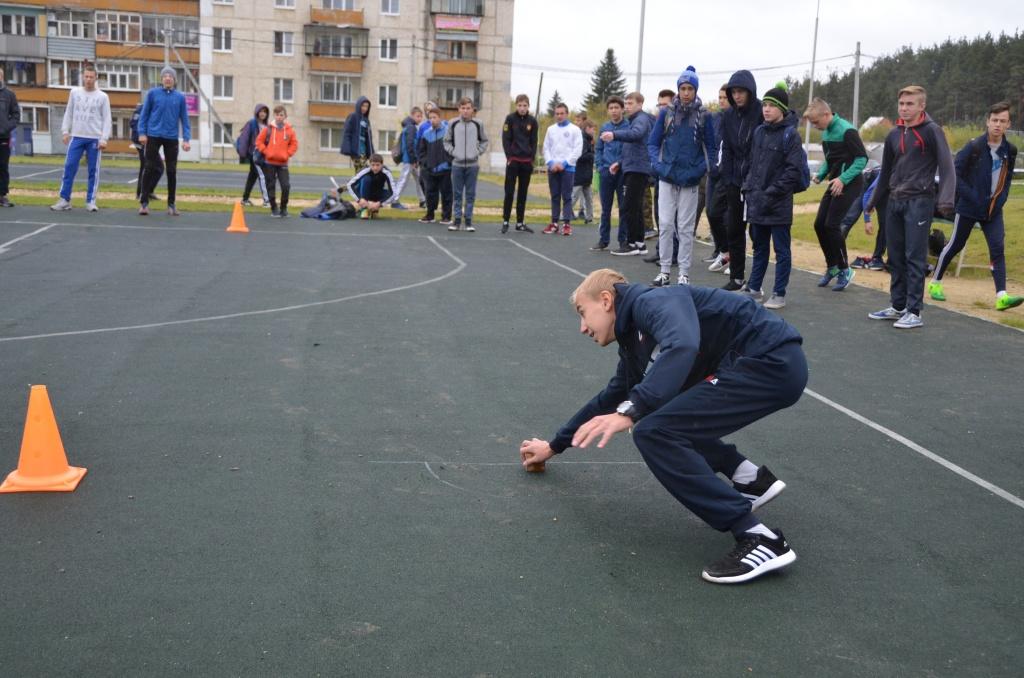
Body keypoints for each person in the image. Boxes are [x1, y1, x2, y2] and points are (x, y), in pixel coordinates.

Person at [519, 268, 806, 584]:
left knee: (652, 430)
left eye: (582, 313)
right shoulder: (632, 340)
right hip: (762, 364)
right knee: (662, 415)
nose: (582, 327)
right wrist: (553, 446)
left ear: (605, 300)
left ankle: (759, 538)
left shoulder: (650, 301)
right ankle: (750, 479)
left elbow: (682, 344)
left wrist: (632, 410)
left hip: (768, 362)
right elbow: (611, 397)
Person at [866, 85, 955, 329]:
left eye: (910, 104)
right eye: (902, 104)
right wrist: (872, 201)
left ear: (922, 106)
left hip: (919, 201)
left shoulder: (932, 131)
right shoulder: (894, 134)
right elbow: (884, 172)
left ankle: (914, 311)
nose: (905, 109)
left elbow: (947, 166)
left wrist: (946, 199)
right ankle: (897, 306)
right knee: (894, 257)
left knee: (914, 257)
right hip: (894, 201)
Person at [929, 102, 1021, 311]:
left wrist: (1002, 198)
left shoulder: (1011, 150)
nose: (998, 124)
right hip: (969, 207)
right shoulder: (974, 147)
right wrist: (973, 197)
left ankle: (1001, 295)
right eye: (994, 120)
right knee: (955, 245)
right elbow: (955, 175)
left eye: (1003, 121)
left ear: (1008, 124)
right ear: (988, 122)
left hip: (994, 210)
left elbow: (1006, 179)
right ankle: (935, 282)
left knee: (997, 248)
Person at [647, 66, 716, 287]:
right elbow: (653, 142)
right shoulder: (666, 113)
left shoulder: (704, 116)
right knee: (666, 224)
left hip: (690, 180)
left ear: (695, 90)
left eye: (690, 88)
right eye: (683, 88)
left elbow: (712, 148)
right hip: (667, 177)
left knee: (686, 228)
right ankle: (665, 270)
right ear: (678, 90)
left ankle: (683, 272)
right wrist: (658, 166)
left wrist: (702, 169)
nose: (686, 92)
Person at [742, 83, 809, 309]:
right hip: (757, 202)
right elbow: (752, 165)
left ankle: (779, 293)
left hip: (778, 204)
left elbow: (793, 171)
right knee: (759, 248)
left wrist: (771, 193)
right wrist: (748, 188)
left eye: (771, 106)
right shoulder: (759, 131)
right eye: (765, 105)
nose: (766, 109)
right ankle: (754, 289)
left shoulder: (791, 135)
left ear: (782, 109)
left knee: (782, 251)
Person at [806, 98, 868, 292]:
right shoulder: (826, 134)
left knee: (832, 225)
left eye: (816, 122)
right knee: (819, 224)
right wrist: (821, 174)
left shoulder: (847, 130)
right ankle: (832, 266)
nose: (815, 126)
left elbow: (862, 159)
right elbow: (830, 159)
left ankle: (845, 269)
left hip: (850, 183)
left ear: (826, 114)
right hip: (835, 182)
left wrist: (843, 179)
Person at [719, 70, 764, 290]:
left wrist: (757, 177)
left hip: (757, 181)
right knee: (734, 228)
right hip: (734, 181)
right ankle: (737, 277)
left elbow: (785, 120)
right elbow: (726, 148)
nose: (737, 96)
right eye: (733, 92)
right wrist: (727, 177)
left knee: (757, 232)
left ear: (750, 91)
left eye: (741, 92)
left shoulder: (761, 111)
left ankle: (757, 281)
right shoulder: (728, 116)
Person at [51, 64, 111, 212]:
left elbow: (107, 119)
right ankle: (65, 199)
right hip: (77, 136)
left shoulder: (103, 97)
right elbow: (69, 112)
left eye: (91, 77)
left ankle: (90, 201)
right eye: (86, 76)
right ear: (83, 77)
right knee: (69, 166)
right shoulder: (74, 93)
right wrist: (65, 131)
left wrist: (104, 139)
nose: (89, 79)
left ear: (96, 78)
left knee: (93, 170)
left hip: (94, 139)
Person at [601, 92, 653, 256]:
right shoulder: (634, 120)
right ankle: (639, 243)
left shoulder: (641, 120)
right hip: (631, 167)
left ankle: (630, 244)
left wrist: (614, 135)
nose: (627, 106)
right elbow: (632, 146)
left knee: (629, 206)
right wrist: (620, 163)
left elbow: (636, 135)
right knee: (635, 206)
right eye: (627, 103)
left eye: (630, 103)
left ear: (640, 104)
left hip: (638, 169)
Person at [137, 66, 191, 216]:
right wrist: (142, 133)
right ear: (161, 79)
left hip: (171, 138)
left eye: (171, 76)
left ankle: (171, 204)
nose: (168, 78)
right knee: (148, 168)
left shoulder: (180, 97)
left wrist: (186, 139)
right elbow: (144, 114)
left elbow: (185, 120)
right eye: (165, 76)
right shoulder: (153, 94)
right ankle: (144, 203)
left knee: (172, 171)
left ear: (174, 80)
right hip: (153, 135)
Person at [444, 96, 488, 232]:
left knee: (470, 194)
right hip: (456, 165)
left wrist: (477, 152)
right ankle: (456, 221)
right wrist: (454, 152)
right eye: (463, 108)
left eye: (468, 108)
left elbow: (484, 141)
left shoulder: (478, 124)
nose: (465, 111)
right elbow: (446, 141)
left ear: (472, 109)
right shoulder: (453, 123)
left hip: (472, 165)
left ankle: (468, 221)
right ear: (459, 109)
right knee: (457, 194)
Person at [591, 96, 629, 251]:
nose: (614, 111)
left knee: (623, 207)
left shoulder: (628, 126)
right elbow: (599, 148)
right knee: (605, 208)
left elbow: (629, 149)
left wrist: (619, 163)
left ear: (622, 109)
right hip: (606, 173)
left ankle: (623, 241)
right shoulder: (605, 127)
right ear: (608, 110)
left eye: (616, 107)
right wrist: (600, 166)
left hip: (622, 173)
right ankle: (603, 240)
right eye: (611, 108)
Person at [542, 103, 583, 236]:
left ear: (567, 114)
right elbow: (546, 148)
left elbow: (577, 150)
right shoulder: (550, 129)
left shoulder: (575, 130)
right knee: (554, 196)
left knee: (566, 196)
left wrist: (564, 164)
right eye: (557, 113)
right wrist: (550, 163)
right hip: (553, 168)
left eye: (562, 113)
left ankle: (566, 224)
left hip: (568, 169)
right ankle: (554, 223)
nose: (559, 116)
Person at [501, 94, 538, 234]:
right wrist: (509, 157)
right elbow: (506, 139)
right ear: (516, 106)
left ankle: (520, 222)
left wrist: (532, 158)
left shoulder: (533, 121)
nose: (522, 108)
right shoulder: (510, 119)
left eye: (525, 105)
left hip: (526, 162)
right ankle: (505, 221)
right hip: (513, 161)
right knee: (509, 192)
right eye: (520, 105)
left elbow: (534, 141)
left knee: (523, 193)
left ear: (528, 106)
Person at [254, 105, 298, 218]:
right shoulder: (267, 129)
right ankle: (274, 208)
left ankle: (283, 208)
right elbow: (259, 142)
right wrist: (266, 151)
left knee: (286, 186)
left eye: (281, 115)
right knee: (271, 186)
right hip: (269, 163)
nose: (279, 117)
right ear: (274, 116)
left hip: (283, 163)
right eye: (277, 115)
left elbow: (294, 144)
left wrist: (287, 154)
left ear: (285, 116)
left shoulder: (290, 131)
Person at [706, 85, 732, 271]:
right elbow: (710, 144)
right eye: (719, 96)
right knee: (712, 212)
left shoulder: (737, 118)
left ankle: (734, 256)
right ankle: (724, 252)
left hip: (730, 176)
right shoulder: (714, 119)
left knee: (730, 218)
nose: (721, 100)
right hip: (713, 174)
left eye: (724, 97)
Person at [416, 108, 453, 225]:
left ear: (439, 118)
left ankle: (446, 216)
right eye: (430, 118)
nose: (432, 120)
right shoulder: (426, 134)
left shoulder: (448, 132)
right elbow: (422, 152)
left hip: (445, 169)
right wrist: (426, 164)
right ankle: (430, 215)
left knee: (446, 193)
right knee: (430, 192)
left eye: (434, 117)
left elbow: (453, 149)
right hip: (430, 170)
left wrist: (448, 162)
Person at [392, 106, 424, 210]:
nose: (420, 119)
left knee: (420, 179)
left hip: (411, 159)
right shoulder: (411, 127)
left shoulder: (409, 126)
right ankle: (395, 201)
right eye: (418, 116)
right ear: (412, 116)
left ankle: (423, 200)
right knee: (403, 179)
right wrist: (413, 160)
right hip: (409, 159)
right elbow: (410, 145)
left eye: (421, 117)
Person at [238, 103, 270, 207]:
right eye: (261, 111)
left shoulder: (267, 126)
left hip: (263, 155)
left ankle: (245, 199)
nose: (263, 113)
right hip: (254, 154)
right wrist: (242, 153)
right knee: (262, 176)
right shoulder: (252, 123)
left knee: (252, 176)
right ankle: (267, 201)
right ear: (257, 112)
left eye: (265, 112)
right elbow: (244, 138)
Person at [346, 153, 396, 219]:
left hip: (377, 193)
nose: (375, 168)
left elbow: (393, 192)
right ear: (370, 165)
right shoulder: (365, 170)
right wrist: (359, 200)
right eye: (373, 165)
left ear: (382, 165)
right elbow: (350, 184)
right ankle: (364, 209)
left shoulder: (387, 172)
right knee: (366, 179)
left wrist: (380, 203)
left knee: (391, 195)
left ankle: (374, 209)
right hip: (364, 193)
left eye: (378, 165)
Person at [129, 102, 161, 203]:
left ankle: (146, 192)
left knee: (153, 167)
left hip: (143, 141)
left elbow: (131, 123)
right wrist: (142, 137)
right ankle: (143, 193)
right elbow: (134, 124)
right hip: (143, 141)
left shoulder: (141, 108)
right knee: (151, 167)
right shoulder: (145, 108)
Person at [572, 120, 596, 225]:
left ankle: (589, 218)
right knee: (574, 196)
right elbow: (579, 156)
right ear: (587, 128)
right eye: (593, 129)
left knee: (589, 197)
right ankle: (563, 215)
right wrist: (592, 155)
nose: (594, 131)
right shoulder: (582, 140)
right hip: (579, 174)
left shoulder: (590, 140)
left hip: (587, 174)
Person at [0, 66, 18, 208]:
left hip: (3, 138)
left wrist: (6, 127)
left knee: (2, 167)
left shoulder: (9, 95)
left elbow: (16, 115)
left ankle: (2, 196)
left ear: (2, 77)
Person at [341, 96, 373, 173]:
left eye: (366, 106)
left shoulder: (366, 121)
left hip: (364, 151)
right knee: (363, 171)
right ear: (358, 106)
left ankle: (355, 184)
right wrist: (347, 148)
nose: (364, 108)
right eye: (363, 106)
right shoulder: (353, 117)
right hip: (356, 151)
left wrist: (371, 153)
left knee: (361, 172)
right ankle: (355, 184)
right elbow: (347, 133)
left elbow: (369, 139)